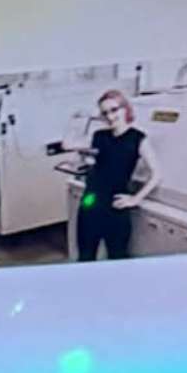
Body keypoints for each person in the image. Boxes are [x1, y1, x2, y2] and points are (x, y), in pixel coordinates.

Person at [70, 88, 149, 262]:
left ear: (125, 109)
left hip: (116, 208)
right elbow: (67, 143)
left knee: (117, 258)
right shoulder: (99, 136)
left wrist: (136, 199)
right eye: (105, 112)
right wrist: (78, 119)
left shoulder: (137, 138)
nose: (110, 116)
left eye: (114, 110)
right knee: (85, 257)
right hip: (90, 204)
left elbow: (157, 174)